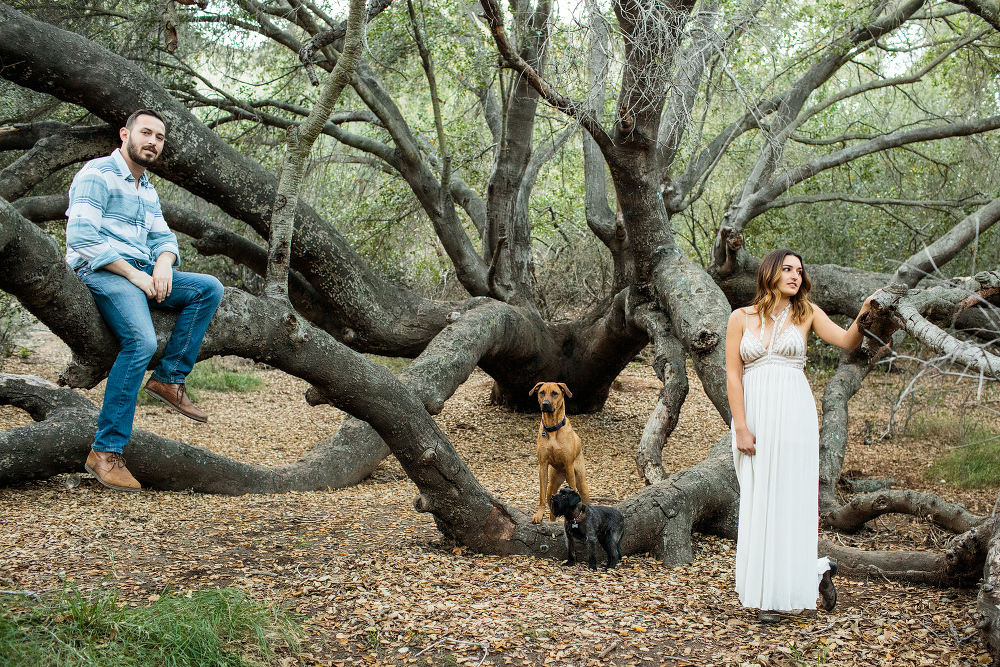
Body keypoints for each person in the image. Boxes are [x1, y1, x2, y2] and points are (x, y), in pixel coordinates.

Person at [66, 109, 225, 493]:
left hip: (142, 270)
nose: (152, 141)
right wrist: (138, 275)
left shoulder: (146, 188)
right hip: (101, 270)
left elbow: (163, 239)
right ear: (125, 134)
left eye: (159, 137)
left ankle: (170, 379)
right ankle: (105, 452)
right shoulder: (97, 174)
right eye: (146, 133)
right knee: (142, 341)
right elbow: (82, 238)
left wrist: (165, 265)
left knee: (209, 288)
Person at [725, 248, 876, 623]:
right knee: (760, 501)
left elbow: (847, 341)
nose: (795, 275)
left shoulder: (806, 313)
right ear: (771, 272)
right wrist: (741, 425)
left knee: (788, 500)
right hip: (755, 418)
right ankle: (815, 570)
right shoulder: (740, 317)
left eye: (799, 271)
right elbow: (732, 374)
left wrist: (868, 310)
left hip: (794, 415)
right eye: (788, 269)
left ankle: (778, 599)